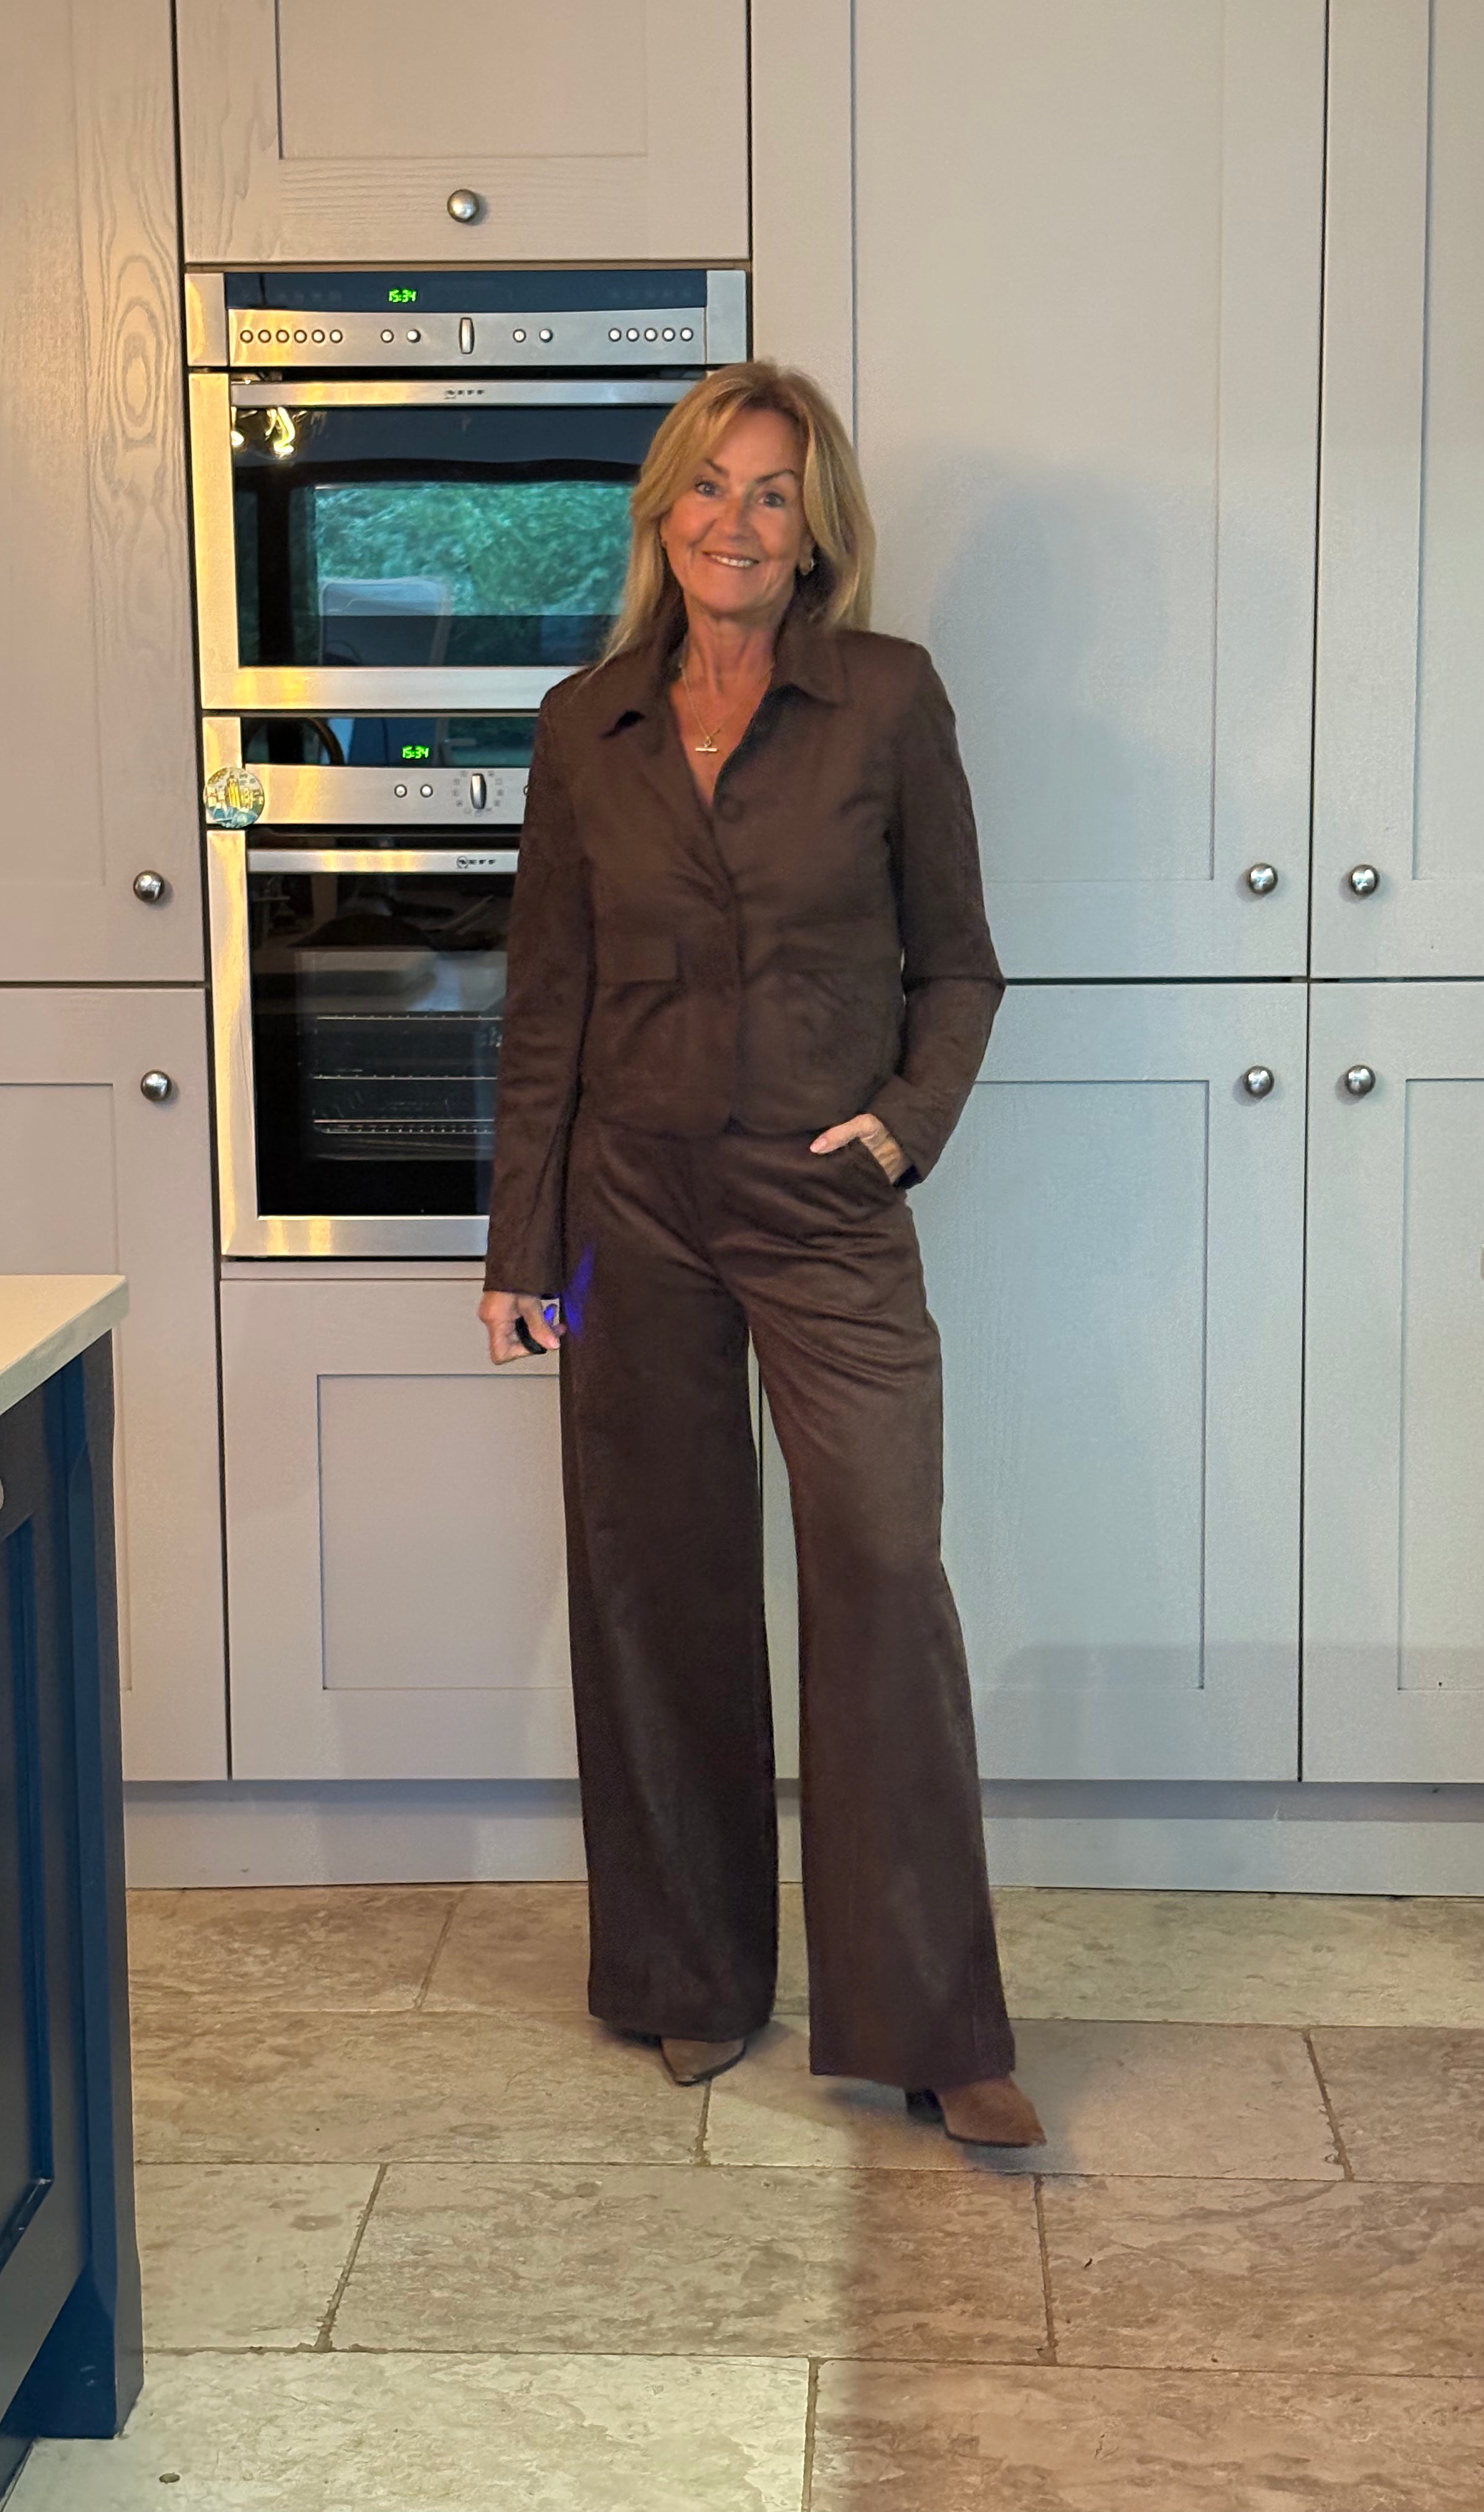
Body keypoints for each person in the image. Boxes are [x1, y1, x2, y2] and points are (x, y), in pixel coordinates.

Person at [478, 361, 1042, 2148]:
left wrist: (902, 1124)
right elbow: (548, 1002)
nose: (737, 519)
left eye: (774, 491)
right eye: (710, 486)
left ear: (817, 532)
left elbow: (962, 962)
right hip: (628, 1205)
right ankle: (690, 1978)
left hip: (822, 1204)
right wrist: (522, 1245)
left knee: (879, 1566)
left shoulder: (887, 701)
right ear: (664, 514)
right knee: (657, 1580)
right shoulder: (588, 727)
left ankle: (932, 2024)